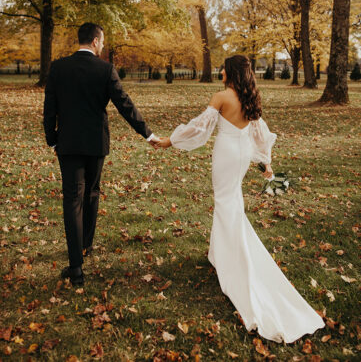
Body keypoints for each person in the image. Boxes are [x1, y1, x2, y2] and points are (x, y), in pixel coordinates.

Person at [157, 55, 325, 343]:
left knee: (225, 204)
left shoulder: (222, 96)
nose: (220, 71)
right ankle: (218, 253)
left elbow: (199, 127)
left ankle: (235, 261)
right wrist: (266, 162)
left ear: (230, 72)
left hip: (226, 154)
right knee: (231, 203)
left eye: (224, 67)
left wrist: (169, 140)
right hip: (242, 155)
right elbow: (259, 131)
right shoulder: (250, 97)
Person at [43, 23, 159, 286]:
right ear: (95, 41)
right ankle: (85, 246)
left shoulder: (59, 68)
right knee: (92, 192)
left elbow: (49, 107)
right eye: (102, 42)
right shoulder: (105, 69)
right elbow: (124, 104)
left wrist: (52, 139)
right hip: (96, 144)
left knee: (73, 199)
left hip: (68, 143)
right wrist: (148, 134)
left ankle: (76, 267)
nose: (103, 46)